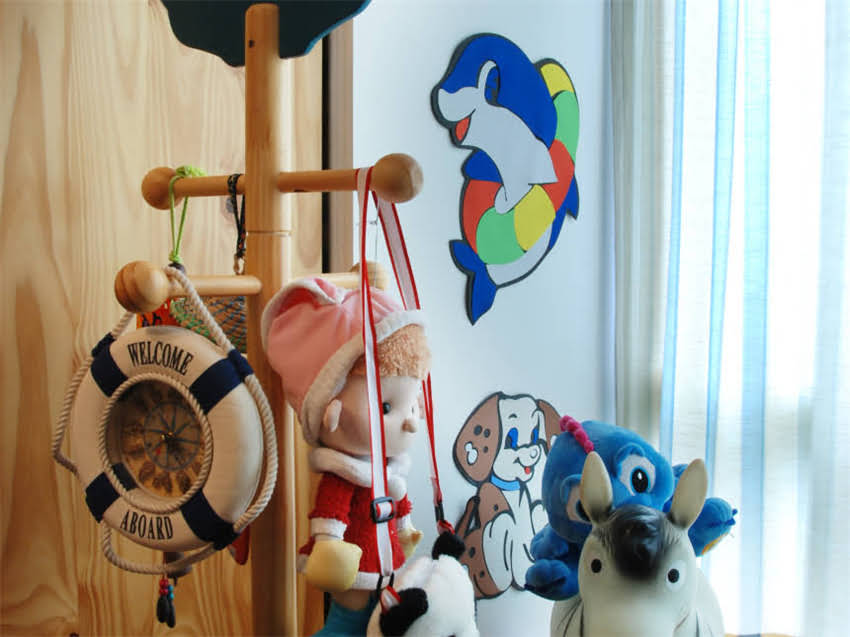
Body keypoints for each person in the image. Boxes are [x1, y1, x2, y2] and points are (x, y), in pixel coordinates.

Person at [262, 277, 430, 636]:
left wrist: (405, 529)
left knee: (379, 622)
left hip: (387, 562)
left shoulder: (391, 472)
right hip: (353, 567)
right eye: (387, 407)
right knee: (348, 623)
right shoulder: (344, 476)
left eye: (414, 405)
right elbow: (332, 512)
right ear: (331, 410)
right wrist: (328, 544)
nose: (411, 422)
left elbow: (398, 503)